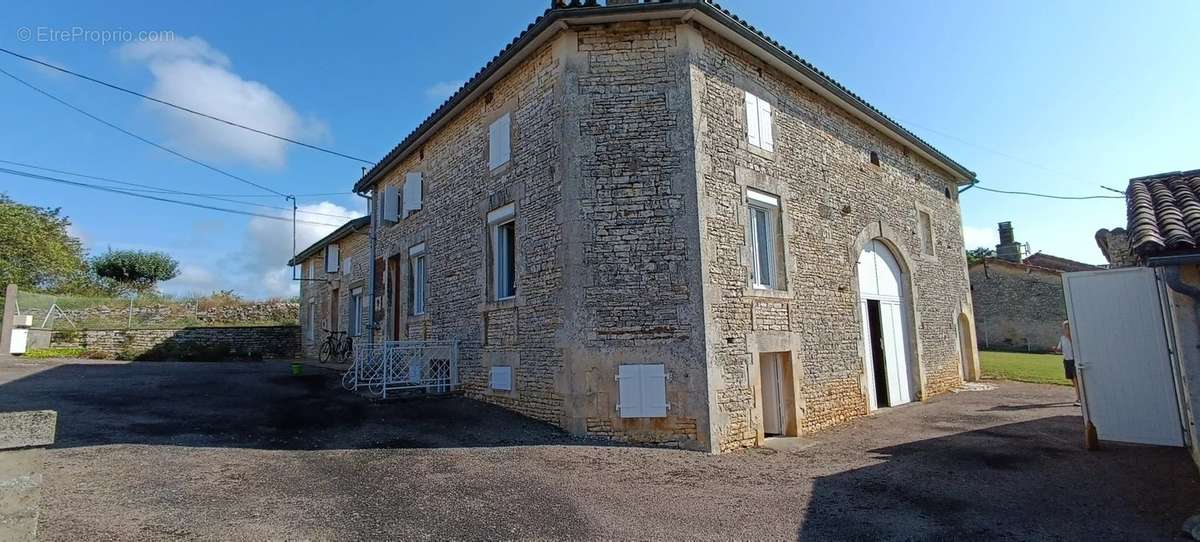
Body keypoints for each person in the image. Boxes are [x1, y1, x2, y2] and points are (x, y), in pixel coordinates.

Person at [1059, 320, 1080, 406]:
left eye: (1067, 328)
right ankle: (1079, 395)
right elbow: (1060, 349)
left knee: (1076, 380)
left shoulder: (1074, 337)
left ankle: (1079, 399)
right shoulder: (1062, 338)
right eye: (1064, 328)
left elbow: (1077, 348)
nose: (1065, 329)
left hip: (1074, 361)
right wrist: (1055, 349)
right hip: (1066, 360)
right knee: (1072, 380)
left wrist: (1070, 338)